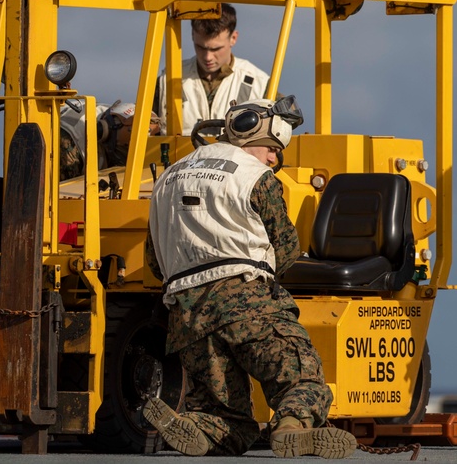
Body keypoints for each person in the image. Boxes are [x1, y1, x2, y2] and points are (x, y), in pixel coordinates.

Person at [142, 96, 356, 458]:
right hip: (246, 301)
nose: (274, 159)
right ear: (257, 137)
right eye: (274, 148)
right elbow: (285, 248)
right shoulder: (255, 176)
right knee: (299, 375)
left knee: (224, 411)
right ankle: (291, 427)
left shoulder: (167, 177)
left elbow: (152, 258)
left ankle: (201, 427)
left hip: (186, 314)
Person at [155, 3, 270, 135]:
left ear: (233, 38)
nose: (207, 57)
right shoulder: (166, 80)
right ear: (192, 35)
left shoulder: (260, 83)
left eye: (215, 49)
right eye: (201, 47)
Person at [58, 99, 161, 180]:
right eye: (124, 149)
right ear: (104, 132)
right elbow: (65, 192)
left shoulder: (111, 114)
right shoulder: (70, 142)